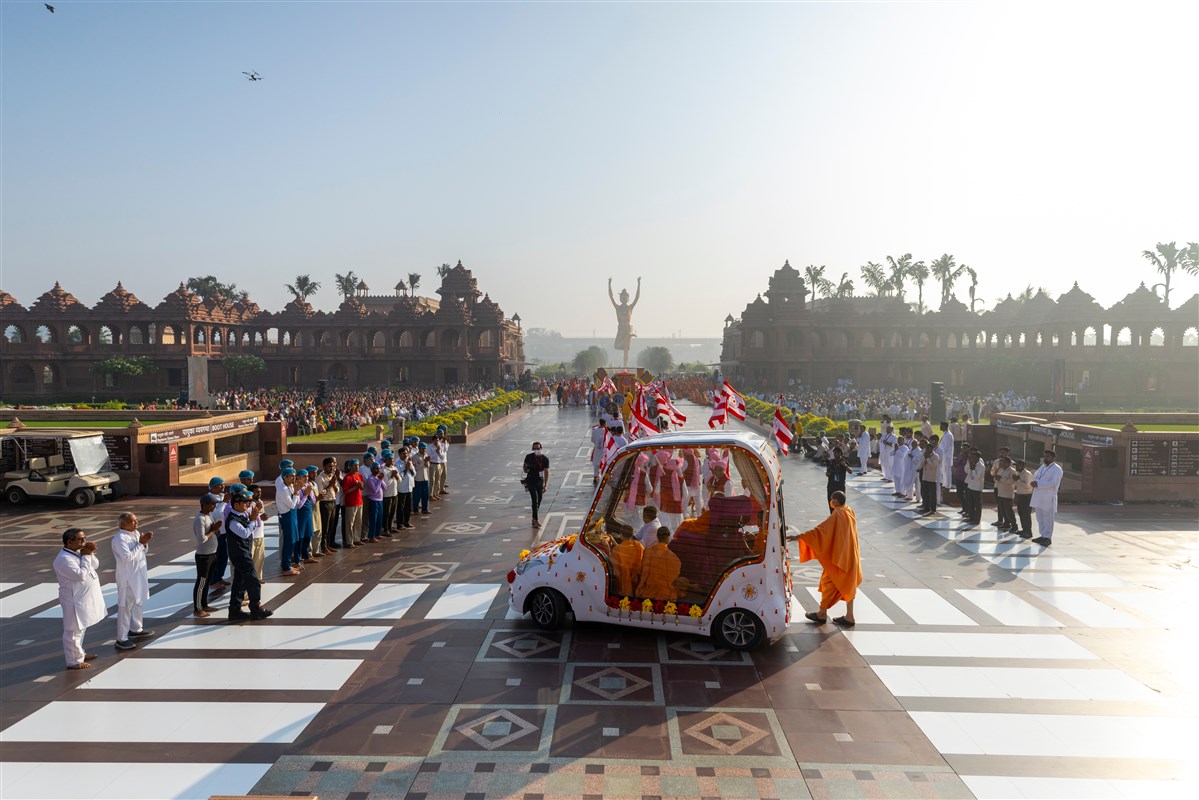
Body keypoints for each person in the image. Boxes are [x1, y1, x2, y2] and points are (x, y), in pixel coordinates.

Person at [794, 491, 861, 627]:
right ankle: (849, 616)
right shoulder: (849, 510)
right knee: (848, 585)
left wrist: (801, 536)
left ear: (835, 502)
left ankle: (822, 613)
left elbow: (821, 531)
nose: (831, 502)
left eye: (831, 500)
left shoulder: (838, 514)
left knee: (828, 582)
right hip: (851, 556)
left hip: (839, 558)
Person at [54, 527, 105, 670]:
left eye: (84, 538)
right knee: (73, 630)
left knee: (81, 627)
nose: (84, 541)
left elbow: (95, 565)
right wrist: (87, 556)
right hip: (73, 599)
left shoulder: (77, 553)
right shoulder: (64, 559)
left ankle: (79, 653)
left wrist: (90, 554)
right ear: (69, 542)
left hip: (82, 598)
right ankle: (73, 661)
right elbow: (80, 575)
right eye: (80, 539)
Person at [226, 489, 274, 621]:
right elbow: (245, 533)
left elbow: (256, 522)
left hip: (243, 552)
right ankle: (255, 608)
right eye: (245, 503)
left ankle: (234, 610)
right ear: (236, 505)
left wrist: (255, 516)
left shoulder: (242, 515)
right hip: (240, 554)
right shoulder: (233, 520)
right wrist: (252, 520)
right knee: (253, 580)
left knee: (239, 582)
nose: (248, 505)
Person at [112, 511, 154, 651]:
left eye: (137, 520)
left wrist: (145, 543)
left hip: (139, 574)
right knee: (125, 607)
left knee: (138, 601)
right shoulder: (120, 538)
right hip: (127, 577)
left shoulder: (135, 533)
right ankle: (121, 638)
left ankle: (136, 628)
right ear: (123, 524)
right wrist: (141, 544)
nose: (136, 523)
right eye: (133, 521)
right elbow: (126, 557)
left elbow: (143, 551)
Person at [192, 493, 222, 617]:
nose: (214, 506)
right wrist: (213, 530)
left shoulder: (209, 516)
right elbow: (201, 539)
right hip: (204, 556)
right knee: (201, 582)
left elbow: (215, 533)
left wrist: (217, 530)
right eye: (212, 504)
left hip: (212, 554)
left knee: (207, 581)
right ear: (204, 505)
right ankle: (198, 608)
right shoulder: (200, 519)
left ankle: (205, 605)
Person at [635, 526, 681, 600]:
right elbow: (675, 574)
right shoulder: (673, 557)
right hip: (664, 592)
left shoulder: (648, 551)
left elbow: (643, 570)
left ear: (657, 536)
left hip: (647, 590)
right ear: (668, 538)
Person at [1030, 449, 1063, 546]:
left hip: (1048, 496)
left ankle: (1048, 537)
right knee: (1039, 517)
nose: (1045, 458)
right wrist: (1035, 482)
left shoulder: (1057, 469)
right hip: (1039, 495)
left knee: (1048, 517)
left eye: (1047, 456)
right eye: (1044, 456)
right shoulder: (1043, 467)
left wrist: (1038, 484)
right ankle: (1043, 535)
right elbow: (1035, 476)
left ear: (1053, 458)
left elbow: (1054, 483)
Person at [275, 467, 301, 574]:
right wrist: (296, 492)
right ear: (285, 477)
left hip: (293, 515)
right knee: (289, 541)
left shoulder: (290, 486)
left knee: (294, 540)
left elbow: (297, 502)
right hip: (287, 516)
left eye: (295, 475)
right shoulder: (282, 489)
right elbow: (291, 505)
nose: (294, 478)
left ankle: (288, 563)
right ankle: (286, 566)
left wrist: (296, 492)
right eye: (291, 476)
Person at [523, 441, 549, 528]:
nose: (537, 450)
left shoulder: (545, 459)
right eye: (535, 448)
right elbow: (524, 469)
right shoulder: (529, 457)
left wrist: (546, 484)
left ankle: (534, 517)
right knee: (535, 499)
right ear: (532, 449)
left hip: (539, 481)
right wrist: (526, 469)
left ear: (541, 449)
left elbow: (546, 471)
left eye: (538, 448)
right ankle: (535, 520)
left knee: (539, 499)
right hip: (530, 480)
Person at [611, 528, 644, 596]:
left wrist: (607, 547)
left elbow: (615, 568)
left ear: (621, 535)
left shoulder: (617, 549)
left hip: (623, 583)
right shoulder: (638, 546)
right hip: (636, 580)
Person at [315, 458, 340, 549]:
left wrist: (333, 484)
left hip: (333, 501)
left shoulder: (332, 476)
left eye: (333, 466)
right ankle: (324, 547)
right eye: (329, 466)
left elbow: (337, 490)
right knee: (325, 526)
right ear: (324, 466)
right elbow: (322, 492)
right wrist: (330, 484)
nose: (331, 468)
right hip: (325, 503)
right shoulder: (319, 478)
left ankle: (329, 545)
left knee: (331, 525)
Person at [340, 458, 365, 543]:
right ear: (350, 467)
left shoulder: (359, 475)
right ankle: (349, 541)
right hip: (351, 503)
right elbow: (346, 491)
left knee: (358, 522)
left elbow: (362, 487)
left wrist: (360, 486)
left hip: (359, 501)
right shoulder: (347, 478)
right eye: (355, 465)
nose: (357, 467)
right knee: (350, 523)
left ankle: (357, 539)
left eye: (357, 465)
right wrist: (356, 487)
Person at [992, 456, 1017, 533]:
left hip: (1008, 494)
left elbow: (1011, 482)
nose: (1003, 464)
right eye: (1002, 462)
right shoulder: (1000, 470)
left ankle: (1014, 526)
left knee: (1009, 510)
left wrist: (1000, 479)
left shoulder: (1012, 471)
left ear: (1009, 463)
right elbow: (995, 478)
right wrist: (997, 478)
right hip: (1000, 493)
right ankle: (1006, 523)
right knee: (1002, 510)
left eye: (1005, 462)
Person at [916, 442, 941, 515]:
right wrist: (918, 468)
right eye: (926, 448)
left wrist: (927, 458)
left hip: (932, 478)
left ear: (932, 449)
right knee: (925, 493)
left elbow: (933, 466)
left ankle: (933, 509)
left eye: (928, 448)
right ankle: (926, 507)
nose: (927, 449)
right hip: (925, 476)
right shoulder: (925, 455)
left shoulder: (935, 456)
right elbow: (921, 463)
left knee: (932, 494)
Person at [362, 463, 386, 542]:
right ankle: (371, 536)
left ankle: (377, 534)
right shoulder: (370, 479)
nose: (378, 470)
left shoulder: (379, 478)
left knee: (379, 518)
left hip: (380, 500)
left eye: (379, 468)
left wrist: (381, 480)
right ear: (372, 469)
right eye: (376, 468)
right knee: (373, 519)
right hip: (373, 500)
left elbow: (385, 487)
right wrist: (379, 480)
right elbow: (375, 490)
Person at [962, 450, 985, 526]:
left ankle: (977, 520)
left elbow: (977, 477)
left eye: (974, 457)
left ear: (978, 458)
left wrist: (973, 469)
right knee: (970, 503)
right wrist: (971, 468)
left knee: (977, 505)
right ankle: (971, 518)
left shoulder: (981, 466)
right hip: (970, 486)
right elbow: (968, 473)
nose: (973, 459)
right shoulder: (972, 464)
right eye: (972, 457)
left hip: (977, 487)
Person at [1013, 459, 1034, 538]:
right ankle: (1024, 529)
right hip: (1020, 495)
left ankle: (1028, 532)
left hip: (1026, 496)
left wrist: (1017, 480)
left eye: (1018, 465)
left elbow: (1028, 486)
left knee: (1026, 515)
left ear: (1023, 466)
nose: (1016, 467)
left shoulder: (1027, 474)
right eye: (1016, 465)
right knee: (1021, 513)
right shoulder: (1019, 473)